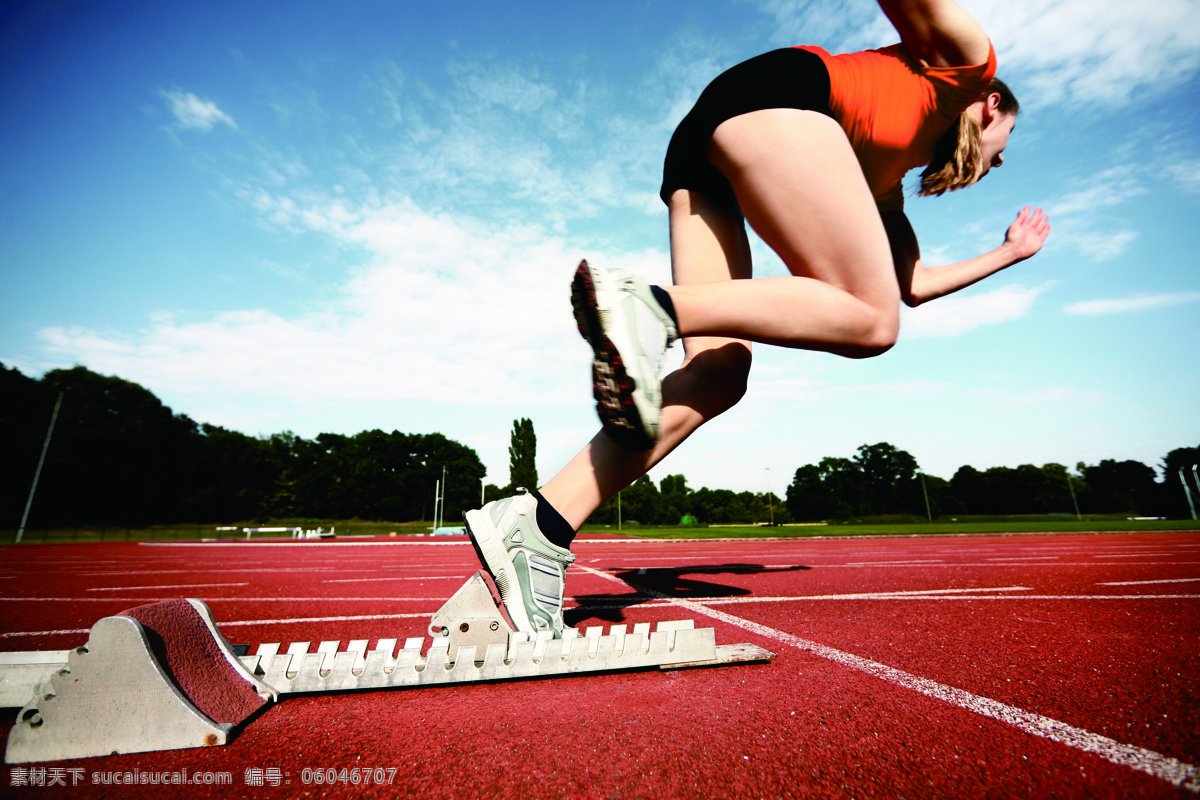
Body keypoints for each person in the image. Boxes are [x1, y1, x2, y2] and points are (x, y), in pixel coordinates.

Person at [464, 0, 1051, 637]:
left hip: (706, 140)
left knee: (720, 371)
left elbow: (912, 284)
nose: (998, 162)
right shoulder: (965, 66)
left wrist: (1009, 253)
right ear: (990, 106)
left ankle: (539, 526)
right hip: (779, 98)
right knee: (870, 323)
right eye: (1006, 143)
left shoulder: (883, 179)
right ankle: (649, 307)